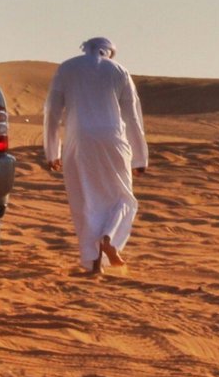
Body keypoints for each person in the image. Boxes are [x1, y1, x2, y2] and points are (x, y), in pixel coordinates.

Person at [43, 36, 147, 275]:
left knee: (85, 200)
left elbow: (52, 111)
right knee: (123, 196)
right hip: (113, 139)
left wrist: (52, 151)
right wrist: (141, 158)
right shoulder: (119, 70)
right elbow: (132, 116)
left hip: (78, 141)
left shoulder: (66, 68)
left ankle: (92, 262)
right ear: (109, 52)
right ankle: (109, 236)